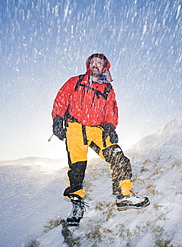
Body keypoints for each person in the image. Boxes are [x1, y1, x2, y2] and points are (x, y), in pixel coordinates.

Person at [51, 53, 149, 226]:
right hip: (75, 127)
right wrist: (57, 119)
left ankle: (124, 195)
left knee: (118, 157)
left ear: (105, 67)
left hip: (98, 129)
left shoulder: (108, 89)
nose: (95, 65)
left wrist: (111, 127)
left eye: (99, 63)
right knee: (77, 167)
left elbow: (112, 110)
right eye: (93, 63)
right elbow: (61, 99)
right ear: (89, 65)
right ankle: (77, 204)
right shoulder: (75, 81)